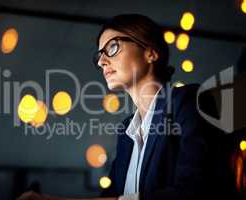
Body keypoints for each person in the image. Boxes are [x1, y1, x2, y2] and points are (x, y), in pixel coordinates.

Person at [17, 14, 237, 200]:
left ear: (151, 52)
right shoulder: (126, 132)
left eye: (112, 47)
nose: (102, 61)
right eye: (99, 55)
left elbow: (194, 193)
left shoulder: (188, 101)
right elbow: (111, 197)